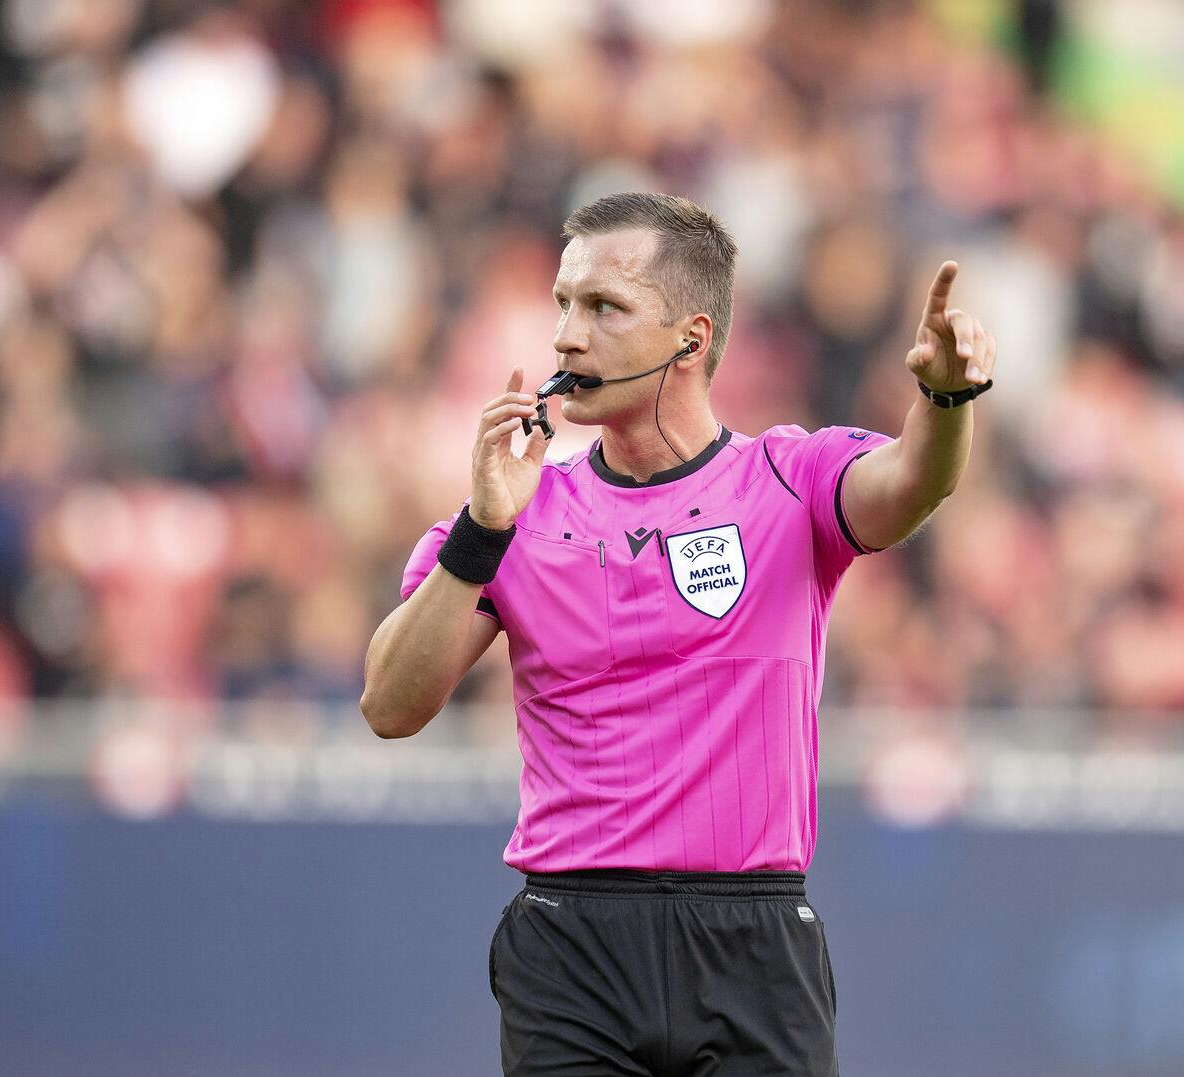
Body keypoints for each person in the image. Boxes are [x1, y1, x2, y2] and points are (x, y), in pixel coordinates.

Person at [360, 192, 996, 1076]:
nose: (566, 337)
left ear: (691, 340)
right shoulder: (513, 512)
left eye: (605, 307)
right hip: (570, 946)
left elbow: (913, 481)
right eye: (563, 305)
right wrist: (482, 528)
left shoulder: (788, 478)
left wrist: (945, 398)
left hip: (753, 944)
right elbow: (390, 705)